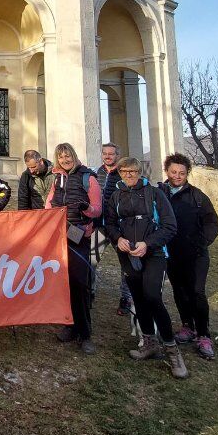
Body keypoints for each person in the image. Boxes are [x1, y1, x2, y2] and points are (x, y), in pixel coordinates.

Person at [104, 156, 188, 379]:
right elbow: (109, 223)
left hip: (154, 254)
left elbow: (170, 226)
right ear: (119, 173)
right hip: (128, 254)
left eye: (132, 171)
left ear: (140, 172)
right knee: (139, 298)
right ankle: (149, 342)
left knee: (153, 296)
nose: (128, 175)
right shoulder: (115, 196)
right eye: (124, 172)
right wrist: (117, 239)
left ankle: (172, 350)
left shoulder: (155, 194)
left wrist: (147, 244)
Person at [161, 153, 218, 360]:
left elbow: (212, 222)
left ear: (187, 174)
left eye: (182, 173)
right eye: (173, 172)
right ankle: (187, 326)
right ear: (167, 171)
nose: (177, 176)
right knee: (179, 291)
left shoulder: (197, 196)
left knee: (196, 292)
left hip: (196, 254)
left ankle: (204, 334)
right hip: (172, 253)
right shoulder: (160, 194)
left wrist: (202, 241)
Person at [45, 143, 102, 354]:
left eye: (67, 156)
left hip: (79, 236)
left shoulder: (89, 178)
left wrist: (86, 209)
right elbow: (49, 203)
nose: (65, 160)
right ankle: (70, 325)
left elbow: (97, 210)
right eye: (61, 157)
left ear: (74, 156)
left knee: (80, 283)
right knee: (65, 283)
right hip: (60, 235)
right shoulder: (56, 179)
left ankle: (85, 334)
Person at [97, 143, 134, 316]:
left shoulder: (123, 174)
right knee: (91, 259)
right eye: (105, 153)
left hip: (118, 228)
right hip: (99, 225)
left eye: (111, 154)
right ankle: (89, 292)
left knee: (125, 264)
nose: (107, 156)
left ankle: (126, 298)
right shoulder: (96, 173)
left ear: (117, 155)